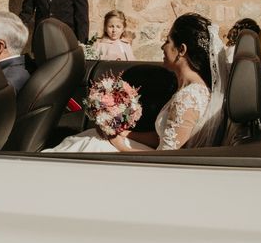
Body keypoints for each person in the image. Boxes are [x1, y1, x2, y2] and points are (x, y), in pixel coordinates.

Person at [44, 13, 228, 153]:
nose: (162, 46)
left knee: (92, 144)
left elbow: (167, 159)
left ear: (181, 50)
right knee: (92, 138)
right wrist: (123, 133)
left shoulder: (188, 99)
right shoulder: (191, 90)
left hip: (154, 169)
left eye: (167, 41)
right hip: (154, 158)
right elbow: (160, 139)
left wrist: (120, 146)